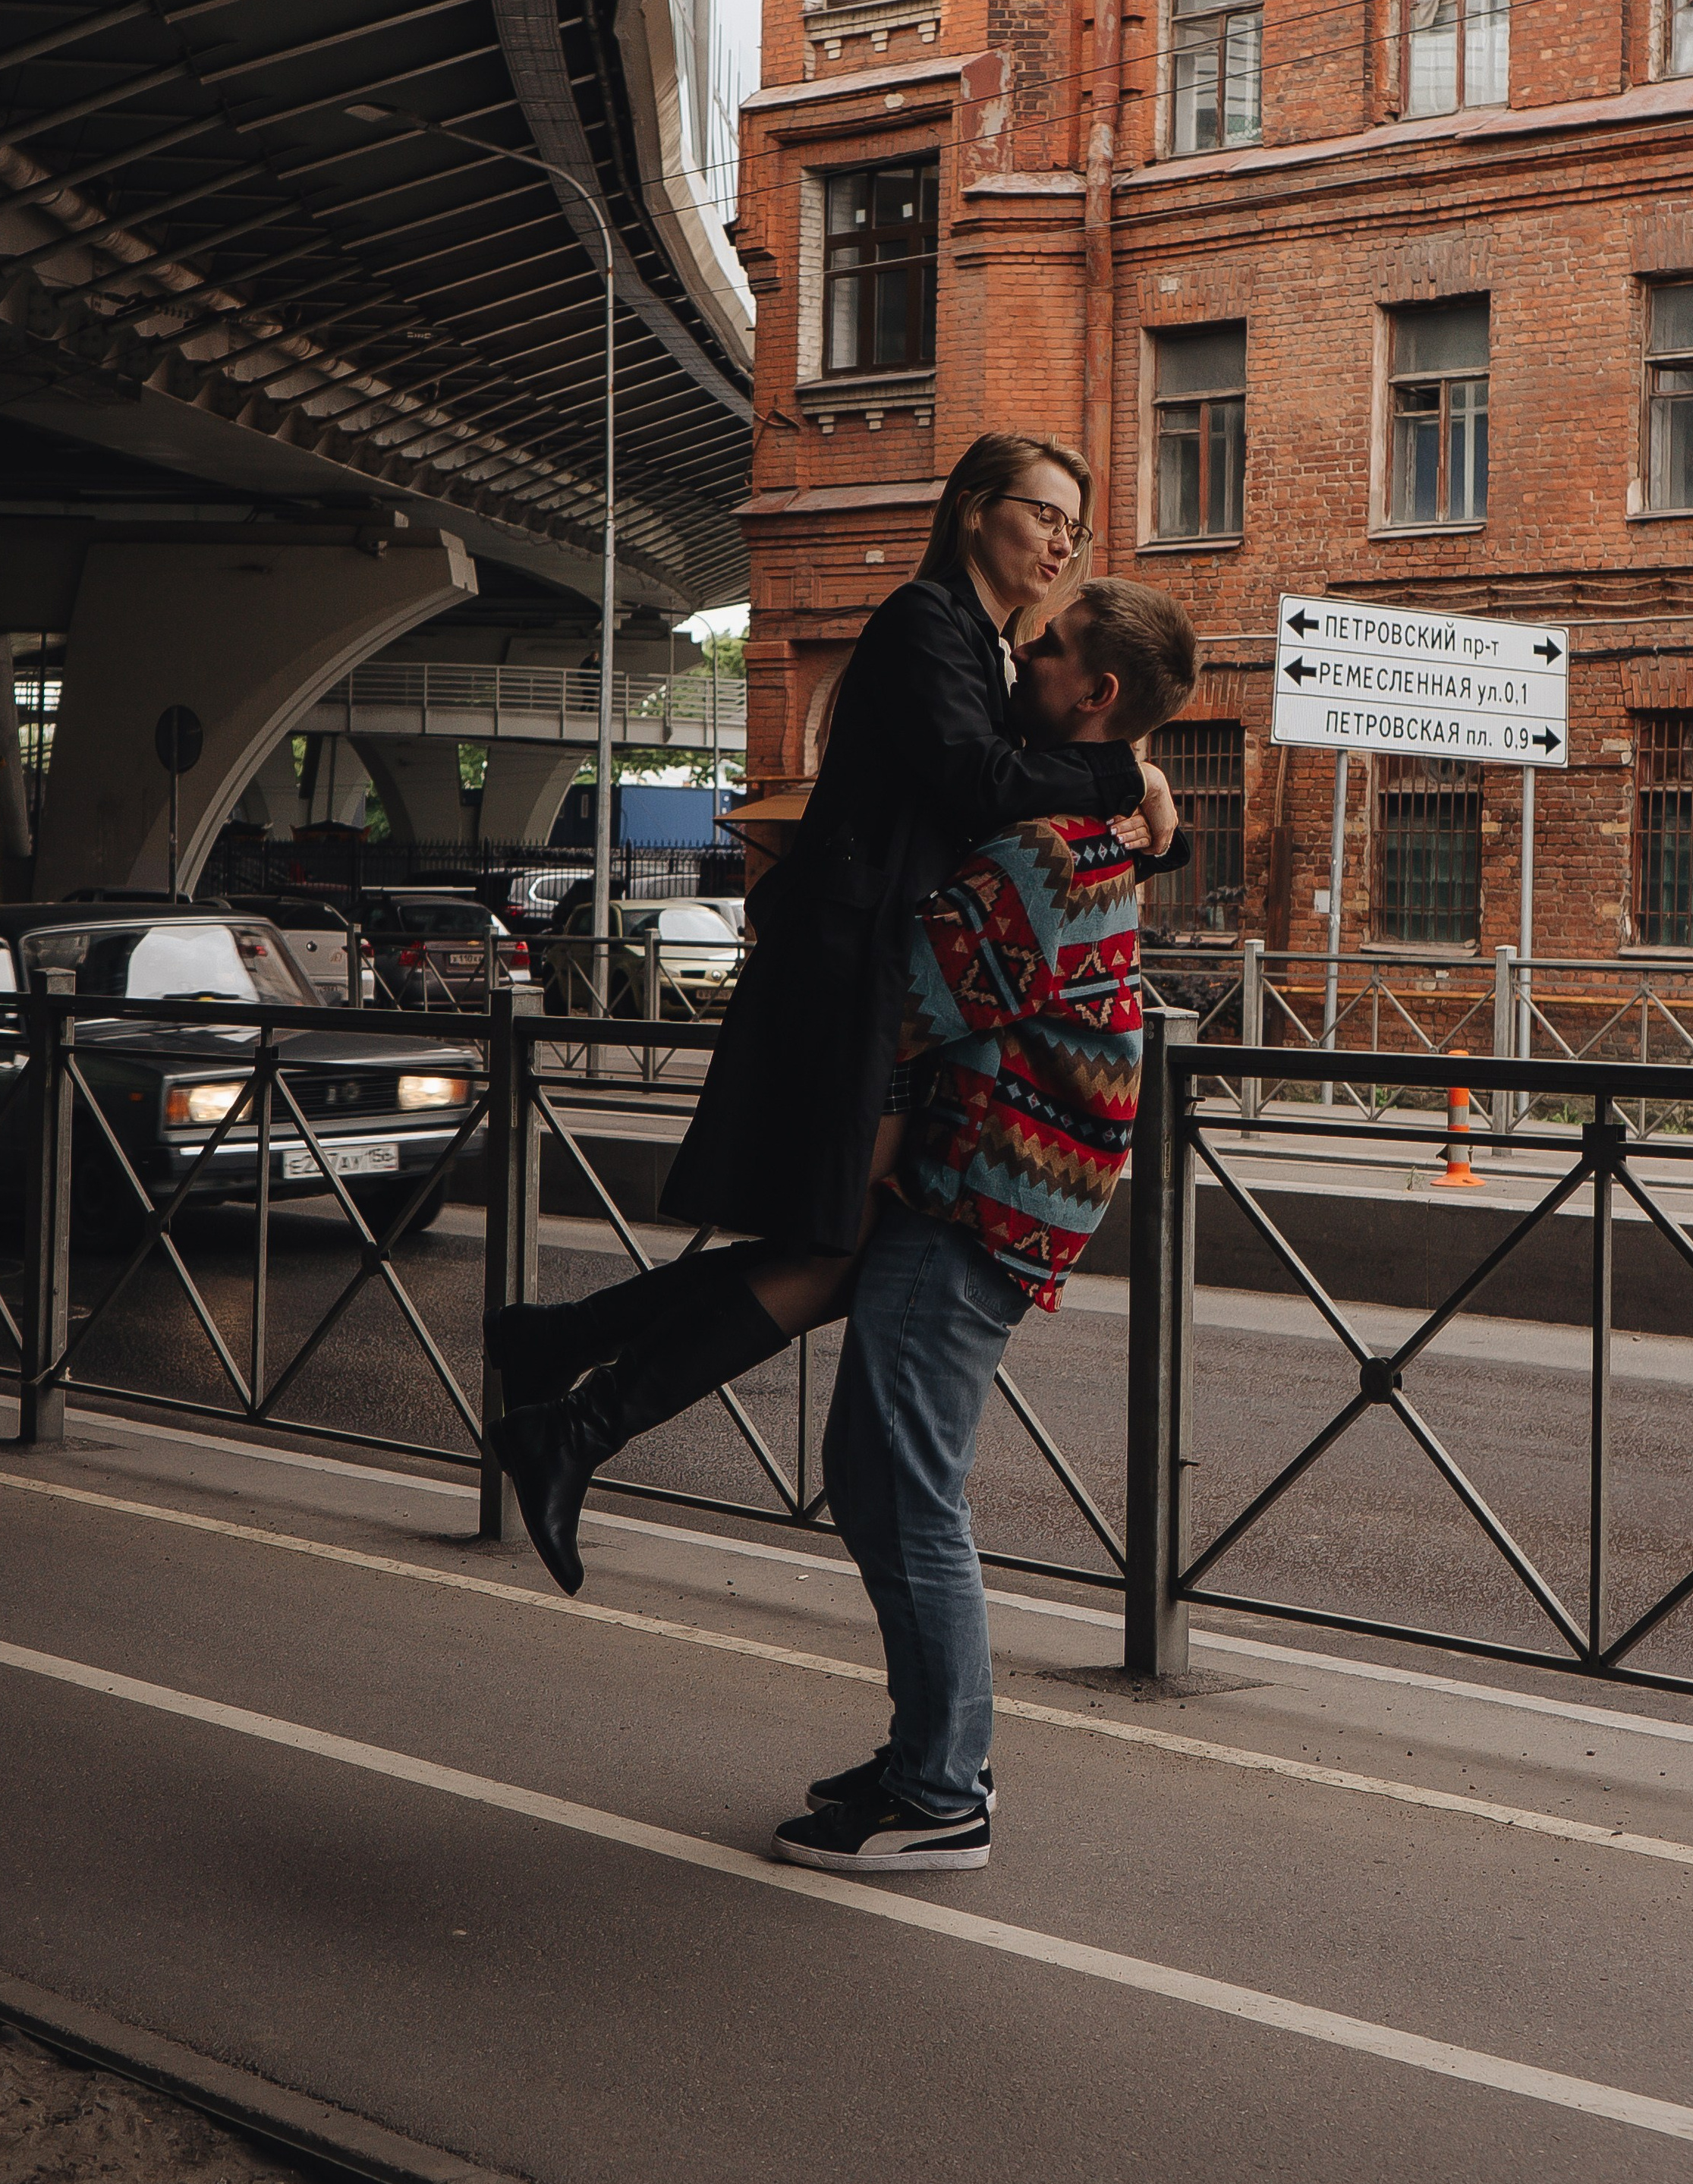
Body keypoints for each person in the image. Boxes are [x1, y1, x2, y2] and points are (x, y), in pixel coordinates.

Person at [485, 436, 1182, 1587]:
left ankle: (560, 1372)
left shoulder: (987, 651)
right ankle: (570, 1408)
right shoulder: (923, 624)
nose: (1063, 542)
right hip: (862, 981)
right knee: (833, 1252)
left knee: (830, 1251)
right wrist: (1130, 783)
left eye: (1077, 526)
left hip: (886, 979)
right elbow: (978, 783)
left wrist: (1145, 813)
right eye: (1045, 515)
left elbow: (1022, 819)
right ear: (971, 513)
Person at [766, 577, 1198, 1873]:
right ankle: (928, 1752)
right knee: (872, 1471)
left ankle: (944, 1791)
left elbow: (909, 993)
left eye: (1050, 647)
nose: (1024, 655)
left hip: (983, 1200)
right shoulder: (1081, 812)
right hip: (976, 1185)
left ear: (1097, 692)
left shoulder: (1049, 846)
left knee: (910, 1486)